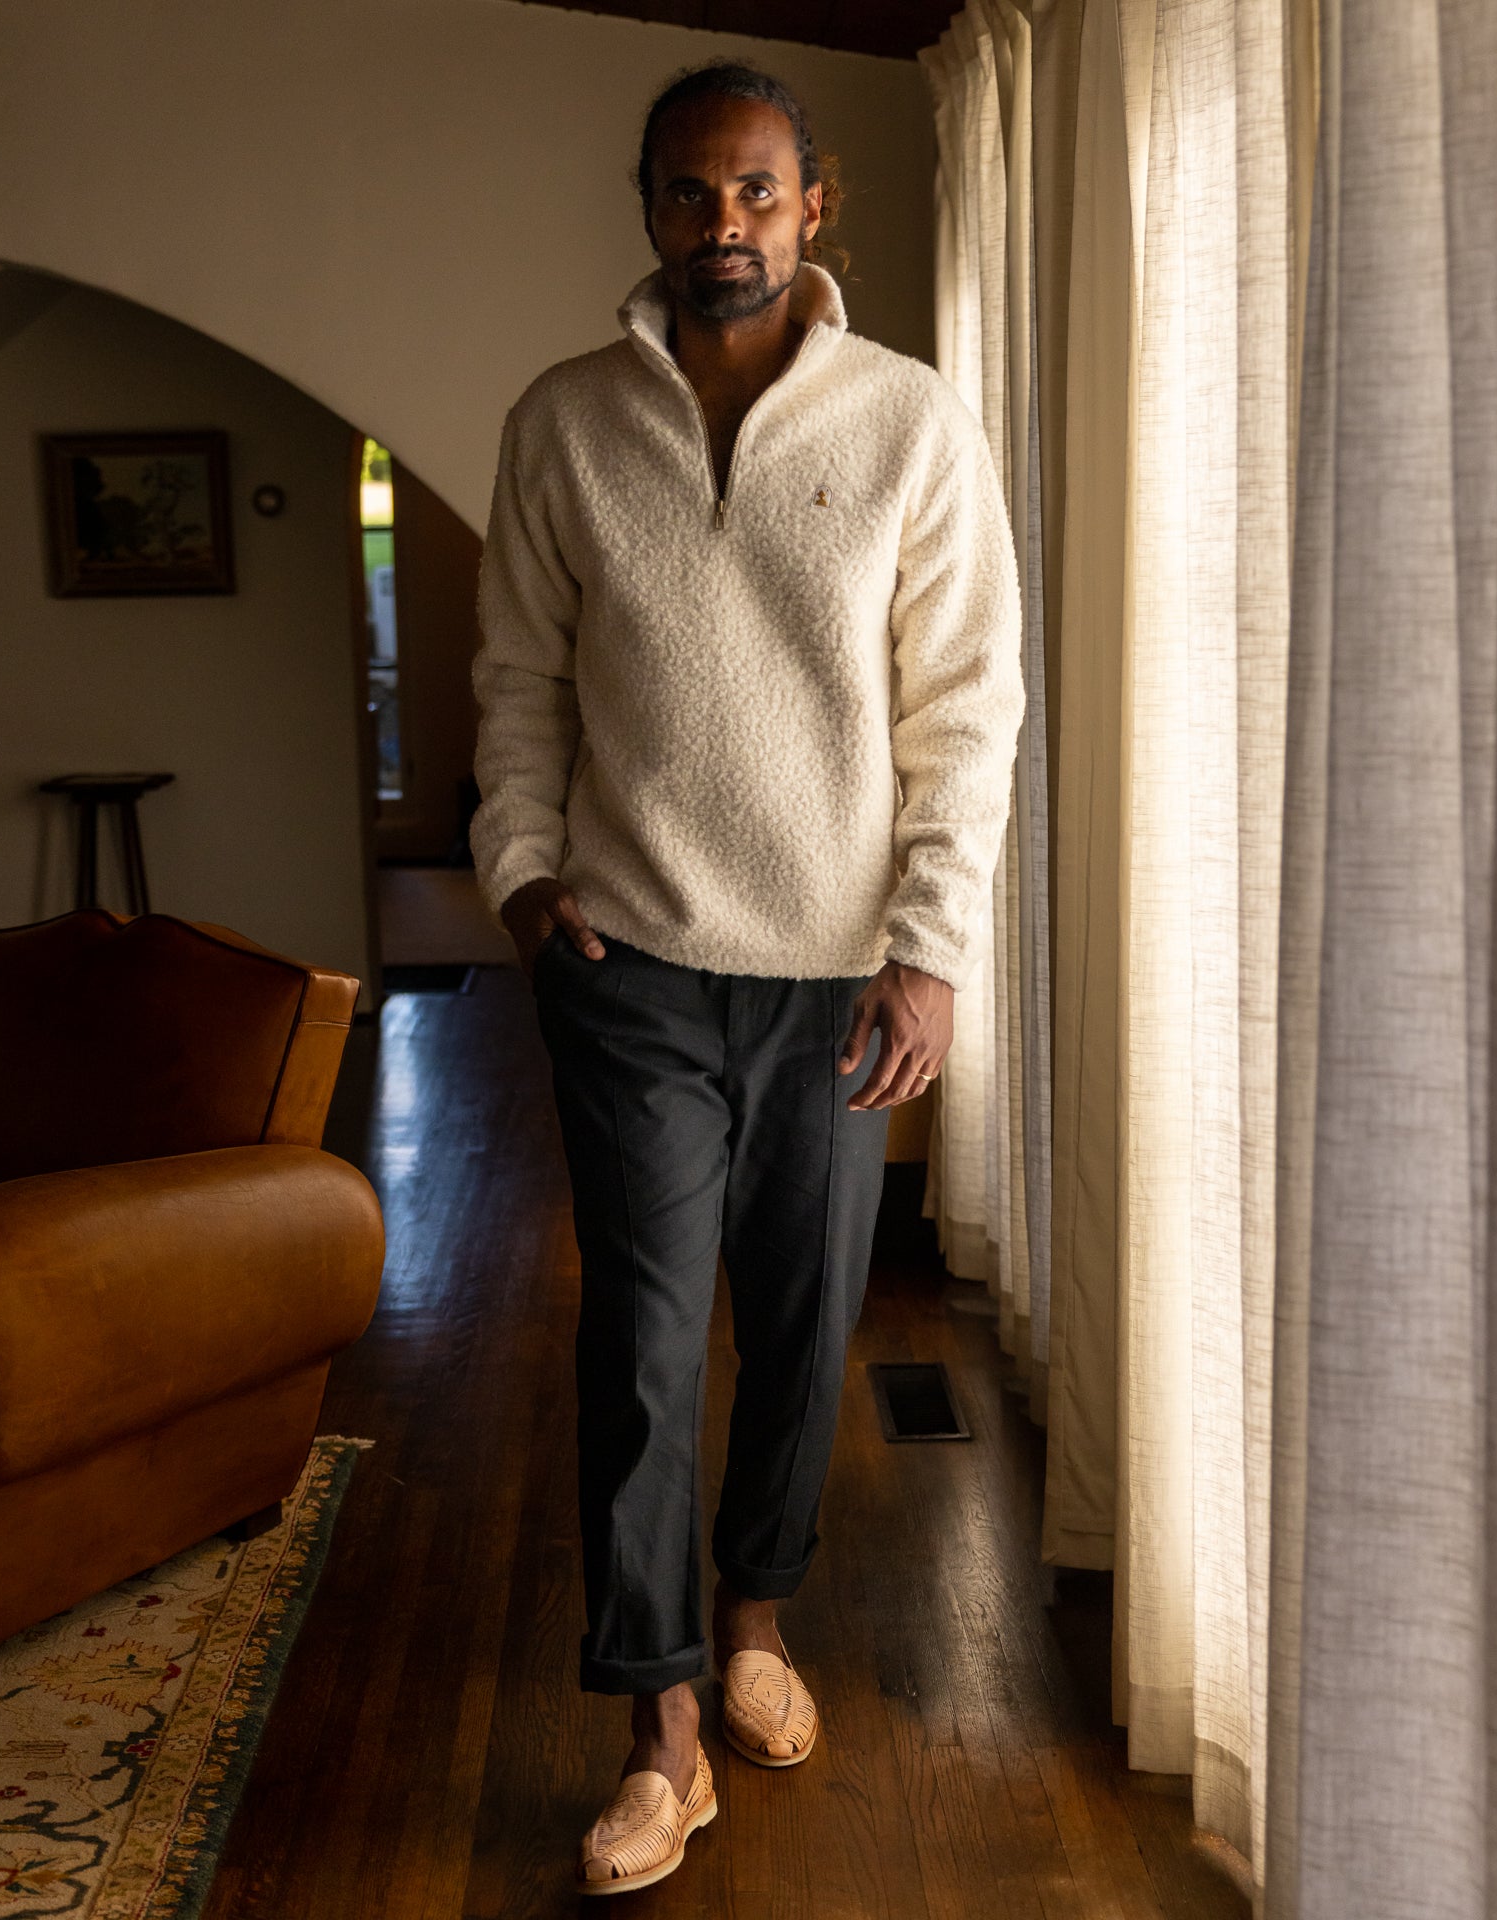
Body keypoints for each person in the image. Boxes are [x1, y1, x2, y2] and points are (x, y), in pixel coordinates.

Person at [469, 59, 1023, 1897]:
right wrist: (529, 883)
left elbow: (967, 714)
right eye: (694, 194)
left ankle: (759, 1618)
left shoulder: (911, 423)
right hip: (628, 961)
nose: (728, 226)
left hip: (835, 979)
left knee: (801, 1326)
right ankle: (662, 1729)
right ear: (647, 207)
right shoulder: (560, 425)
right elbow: (521, 689)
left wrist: (933, 954)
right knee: (637, 1348)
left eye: (759, 194)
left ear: (816, 205)